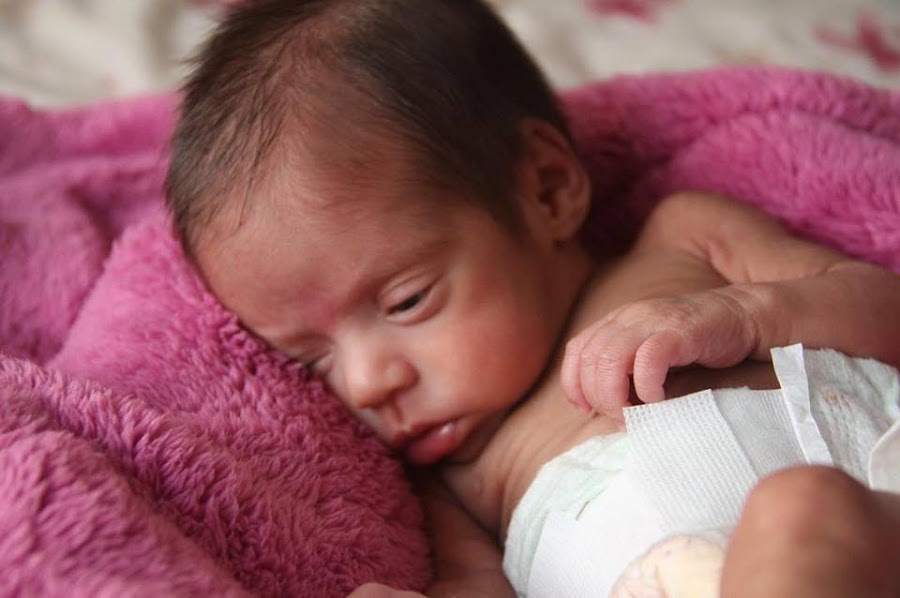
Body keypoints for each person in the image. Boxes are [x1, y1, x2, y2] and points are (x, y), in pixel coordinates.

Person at [164, 0, 900, 595]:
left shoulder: (683, 244)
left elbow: (884, 310)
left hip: (862, 527)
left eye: (407, 301)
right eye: (310, 360)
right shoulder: (451, 484)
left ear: (547, 190)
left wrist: (745, 316)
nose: (366, 384)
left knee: (800, 509)